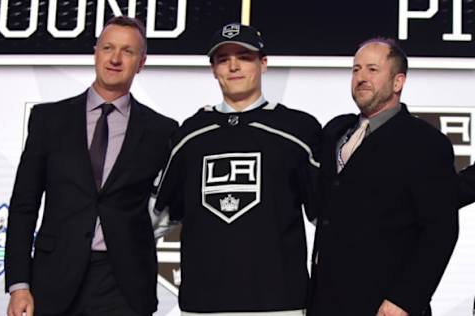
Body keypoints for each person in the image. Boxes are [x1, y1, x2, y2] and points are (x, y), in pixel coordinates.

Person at [4, 15, 178, 316]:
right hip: (53, 278)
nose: (115, 58)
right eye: (108, 48)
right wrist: (19, 284)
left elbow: (174, 203)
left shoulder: (162, 131)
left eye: (127, 51)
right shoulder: (49, 119)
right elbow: (23, 205)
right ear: (95, 52)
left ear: (142, 63)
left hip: (125, 285)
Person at [153, 23, 321, 315]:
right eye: (223, 59)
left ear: (263, 64)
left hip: (279, 304)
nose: (233, 66)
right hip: (203, 305)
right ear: (213, 69)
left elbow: (329, 219)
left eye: (244, 56)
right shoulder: (191, 134)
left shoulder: (299, 130)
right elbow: (155, 217)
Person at [308, 38, 459, 316]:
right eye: (356, 70)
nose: (361, 78)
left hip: (385, 304)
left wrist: (405, 299)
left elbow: (440, 231)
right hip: (325, 301)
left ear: (398, 82)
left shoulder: (425, 143)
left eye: (372, 70)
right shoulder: (335, 131)